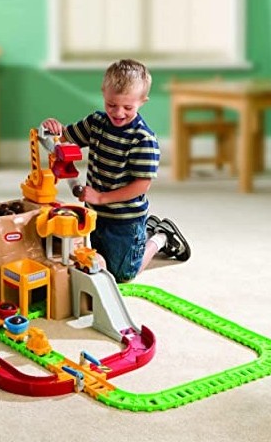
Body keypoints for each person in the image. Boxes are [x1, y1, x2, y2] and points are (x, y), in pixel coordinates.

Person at [42, 58, 190, 283]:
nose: (118, 112)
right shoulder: (96, 122)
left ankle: (159, 237)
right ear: (104, 93)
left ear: (142, 101)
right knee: (97, 262)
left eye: (128, 107)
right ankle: (146, 235)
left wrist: (102, 197)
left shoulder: (143, 139)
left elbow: (142, 185)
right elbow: (64, 138)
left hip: (125, 219)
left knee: (124, 274)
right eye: (111, 104)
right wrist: (52, 127)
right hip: (95, 212)